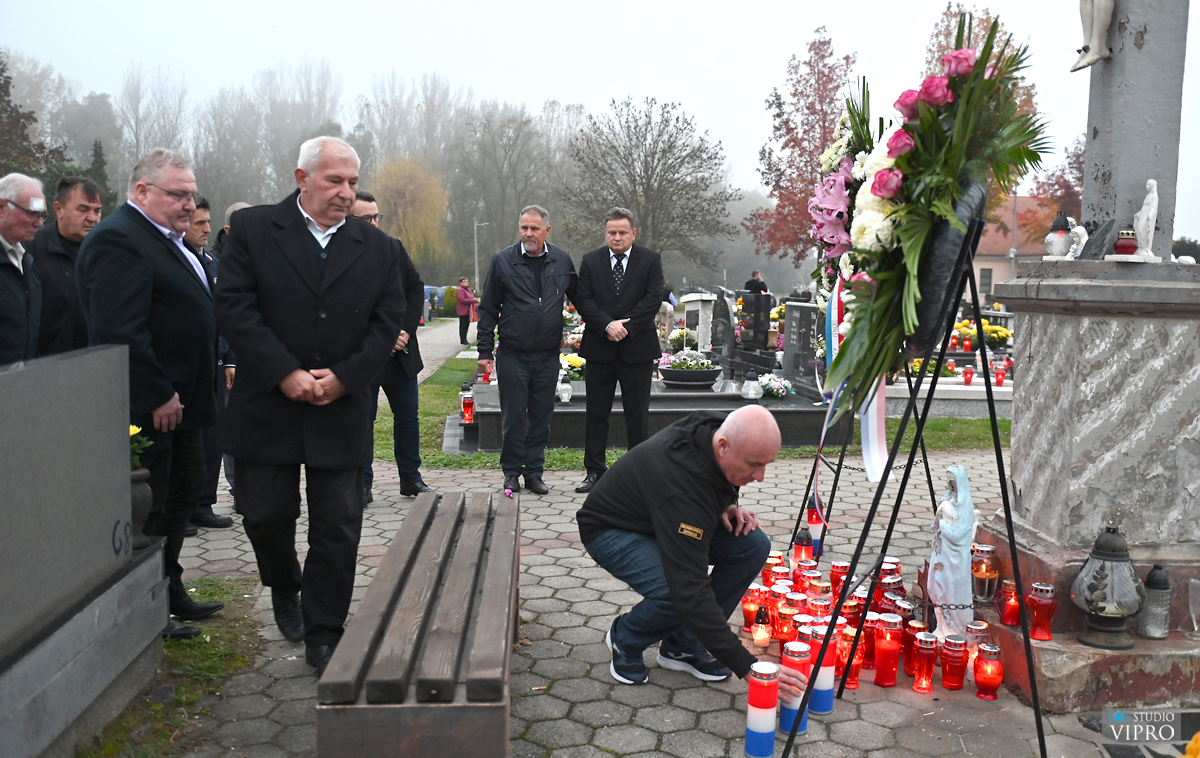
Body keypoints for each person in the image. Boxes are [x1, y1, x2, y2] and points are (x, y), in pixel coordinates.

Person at [214, 136, 405, 676]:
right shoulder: (253, 230)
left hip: (339, 408)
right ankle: (283, 583)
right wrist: (283, 372)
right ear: (302, 178)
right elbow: (234, 306)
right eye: (334, 181)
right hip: (267, 405)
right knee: (265, 514)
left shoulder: (379, 248)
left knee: (337, 527)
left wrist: (347, 378)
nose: (346, 192)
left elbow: (387, 320)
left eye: (353, 182)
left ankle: (325, 632)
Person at [77, 149, 224, 639]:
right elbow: (119, 330)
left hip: (182, 405)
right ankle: (147, 606)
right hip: (150, 408)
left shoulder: (164, 239)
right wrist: (158, 392)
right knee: (153, 504)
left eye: (191, 195)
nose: (189, 205)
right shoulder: (119, 240)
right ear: (142, 191)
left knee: (183, 492)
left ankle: (169, 585)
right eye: (178, 194)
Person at [576, 406, 803, 699]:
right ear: (724, 446)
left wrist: (725, 504)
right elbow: (690, 588)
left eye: (766, 464)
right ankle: (626, 637)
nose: (760, 476)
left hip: (660, 514)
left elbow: (711, 477)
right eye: (753, 465)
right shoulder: (683, 489)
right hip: (612, 527)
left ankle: (684, 644)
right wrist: (745, 665)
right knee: (674, 593)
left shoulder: (713, 427)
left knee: (752, 545)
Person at [476, 205, 577, 496]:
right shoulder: (503, 261)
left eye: (534, 228)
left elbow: (581, 298)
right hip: (513, 355)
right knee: (513, 419)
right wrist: (484, 351)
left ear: (547, 230)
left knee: (541, 418)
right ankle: (511, 473)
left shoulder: (561, 260)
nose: (528, 233)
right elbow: (488, 309)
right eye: (524, 228)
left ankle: (534, 473)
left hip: (547, 356)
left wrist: (606, 322)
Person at [573, 208, 663, 494]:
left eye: (623, 232)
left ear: (633, 233)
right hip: (600, 349)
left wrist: (627, 327)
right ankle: (594, 471)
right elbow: (583, 298)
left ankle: (637, 476)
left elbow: (653, 298)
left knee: (637, 416)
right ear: (605, 233)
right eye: (612, 232)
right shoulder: (591, 261)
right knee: (596, 414)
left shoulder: (650, 260)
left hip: (637, 350)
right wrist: (607, 325)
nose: (617, 237)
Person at [352, 189, 432, 500]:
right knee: (363, 421)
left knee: (408, 418)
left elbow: (415, 288)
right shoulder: (341, 255)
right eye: (366, 218)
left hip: (401, 353)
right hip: (365, 356)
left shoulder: (393, 248)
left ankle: (410, 478)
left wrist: (406, 330)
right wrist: (380, 337)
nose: (374, 223)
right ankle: (362, 484)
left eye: (376, 217)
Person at [183, 196, 236, 532]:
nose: (207, 229)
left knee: (214, 437)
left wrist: (230, 357)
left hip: (216, 363)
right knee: (190, 439)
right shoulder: (177, 260)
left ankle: (204, 503)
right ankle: (182, 508)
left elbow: (225, 314)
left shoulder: (214, 263)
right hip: (188, 366)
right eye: (199, 223)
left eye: (207, 222)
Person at [29, 176, 101, 357]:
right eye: (83, 210)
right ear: (58, 209)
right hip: (42, 364)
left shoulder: (107, 252)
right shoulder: (31, 249)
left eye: (97, 211)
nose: (93, 218)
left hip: (95, 362)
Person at [0, 173, 46, 366]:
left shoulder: (25, 259)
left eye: (42, 215)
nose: (39, 223)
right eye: (31, 213)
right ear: (1, 207)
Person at [456, 276, 477, 346]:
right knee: (463, 326)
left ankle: (465, 339)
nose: (466, 283)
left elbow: (471, 297)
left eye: (467, 281)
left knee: (466, 326)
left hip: (469, 310)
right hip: (463, 311)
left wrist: (475, 299)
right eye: (464, 281)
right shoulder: (460, 290)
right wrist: (472, 300)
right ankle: (463, 340)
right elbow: (462, 300)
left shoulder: (467, 290)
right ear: (461, 283)